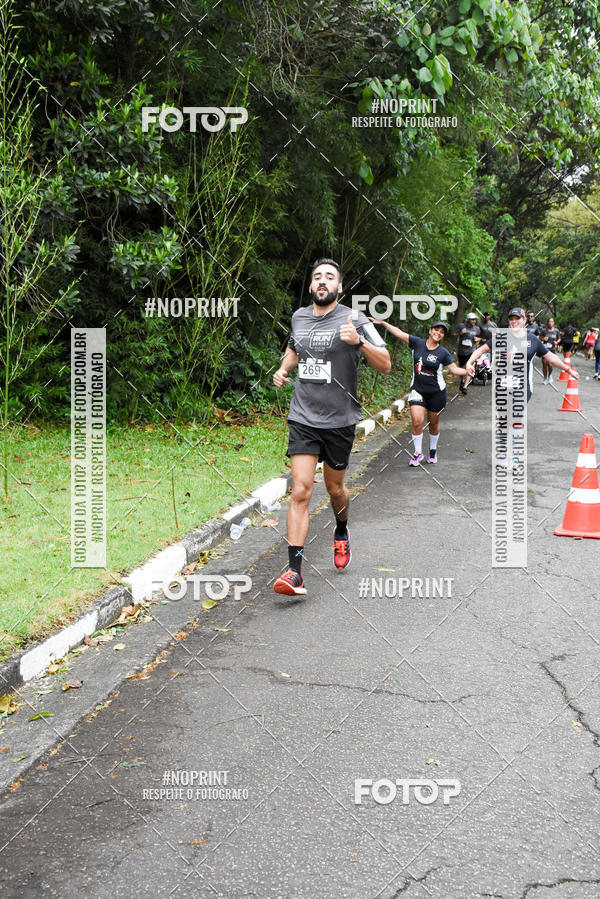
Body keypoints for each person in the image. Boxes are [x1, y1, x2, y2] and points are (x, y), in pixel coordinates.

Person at [272, 258, 391, 596]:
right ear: (311, 286)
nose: (322, 281)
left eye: (330, 277)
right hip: (303, 416)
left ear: (339, 287)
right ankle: (294, 572)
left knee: (335, 489)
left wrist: (359, 342)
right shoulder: (299, 317)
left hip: (339, 421)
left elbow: (385, 364)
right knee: (301, 490)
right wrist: (284, 369)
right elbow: (294, 348)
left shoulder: (356, 318)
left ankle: (341, 529)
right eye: (317, 277)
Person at [376, 319, 469, 465]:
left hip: (436, 393)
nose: (438, 333)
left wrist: (466, 371)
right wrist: (383, 323)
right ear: (430, 331)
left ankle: (433, 450)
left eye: (442, 332)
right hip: (418, 390)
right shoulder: (417, 343)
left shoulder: (442, 353)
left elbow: (454, 369)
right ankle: (418, 452)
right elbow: (399, 333)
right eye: (436, 330)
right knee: (417, 422)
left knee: (433, 423)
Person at [466, 307, 578, 403]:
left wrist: (569, 370)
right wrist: (469, 363)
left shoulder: (533, 340)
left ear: (524, 320)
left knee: (516, 414)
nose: (514, 321)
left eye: (517, 318)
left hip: (524, 386)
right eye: (511, 319)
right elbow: (480, 351)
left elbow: (551, 357)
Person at [457, 312, 480, 394]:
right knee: (462, 369)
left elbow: (479, 337)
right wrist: (460, 333)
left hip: (472, 351)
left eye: (475, 319)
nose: (474, 321)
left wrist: (478, 339)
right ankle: (462, 381)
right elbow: (453, 335)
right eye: (472, 319)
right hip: (462, 351)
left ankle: (465, 387)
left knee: (470, 367)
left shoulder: (477, 328)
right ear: (468, 320)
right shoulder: (461, 326)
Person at [539, 317, 560, 384]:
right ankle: (545, 378)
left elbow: (559, 338)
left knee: (550, 364)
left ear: (553, 323)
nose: (550, 323)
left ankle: (550, 375)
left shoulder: (556, 331)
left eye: (552, 321)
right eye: (549, 321)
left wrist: (557, 342)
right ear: (547, 323)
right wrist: (543, 339)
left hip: (552, 349)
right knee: (544, 364)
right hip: (544, 349)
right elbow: (539, 338)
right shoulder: (544, 330)